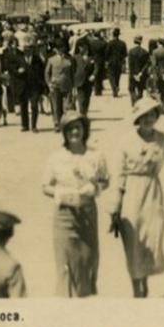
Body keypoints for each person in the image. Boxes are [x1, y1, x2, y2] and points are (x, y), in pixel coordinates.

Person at [42, 111, 110, 297]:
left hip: (87, 213)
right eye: (70, 128)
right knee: (65, 262)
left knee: (88, 259)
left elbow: (105, 180)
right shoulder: (55, 157)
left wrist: (94, 187)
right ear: (64, 132)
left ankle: (85, 302)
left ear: (84, 130)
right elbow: (45, 186)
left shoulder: (96, 155)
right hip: (64, 215)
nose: (74, 132)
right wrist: (60, 193)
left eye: (78, 127)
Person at [109, 97, 164, 298]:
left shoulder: (163, 139)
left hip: (153, 191)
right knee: (134, 239)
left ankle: (145, 280)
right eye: (144, 116)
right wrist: (116, 204)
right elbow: (118, 173)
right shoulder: (126, 141)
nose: (148, 119)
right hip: (132, 192)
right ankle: (137, 287)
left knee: (153, 235)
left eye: (152, 114)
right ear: (137, 118)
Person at [15, 44, 46, 133]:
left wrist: (42, 85)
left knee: (34, 106)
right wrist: (18, 71)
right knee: (23, 106)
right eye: (26, 50)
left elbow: (42, 72)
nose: (28, 52)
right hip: (23, 85)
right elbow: (13, 70)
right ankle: (25, 125)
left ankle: (34, 126)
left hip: (34, 86)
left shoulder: (37, 59)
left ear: (32, 50)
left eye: (29, 50)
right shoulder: (19, 59)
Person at [46, 44, 75, 131]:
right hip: (55, 86)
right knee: (56, 106)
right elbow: (47, 73)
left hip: (67, 85)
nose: (60, 50)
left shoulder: (70, 59)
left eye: (61, 48)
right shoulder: (51, 60)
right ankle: (57, 123)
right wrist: (49, 84)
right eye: (58, 49)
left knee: (68, 106)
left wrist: (73, 86)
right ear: (55, 49)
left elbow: (73, 72)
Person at [73, 41, 96, 117]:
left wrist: (94, 75)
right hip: (79, 81)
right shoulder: (75, 57)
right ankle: (82, 114)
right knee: (81, 99)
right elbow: (72, 69)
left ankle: (84, 112)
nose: (83, 49)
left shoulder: (91, 57)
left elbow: (96, 67)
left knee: (87, 98)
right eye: (81, 47)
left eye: (85, 47)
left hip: (89, 81)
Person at [127, 35, 151, 105]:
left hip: (133, 74)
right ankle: (138, 101)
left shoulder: (131, 51)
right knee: (140, 90)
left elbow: (130, 64)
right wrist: (140, 73)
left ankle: (134, 102)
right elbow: (146, 64)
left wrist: (134, 74)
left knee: (131, 89)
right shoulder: (145, 52)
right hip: (142, 75)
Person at [106, 28, 128, 98]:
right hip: (119, 62)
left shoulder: (110, 43)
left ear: (113, 34)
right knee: (117, 76)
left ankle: (114, 88)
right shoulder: (123, 43)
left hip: (111, 62)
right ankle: (117, 86)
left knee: (111, 76)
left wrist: (107, 60)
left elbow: (107, 53)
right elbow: (125, 54)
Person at [89, 31, 107, 96]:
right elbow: (106, 53)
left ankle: (96, 90)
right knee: (100, 75)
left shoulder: (90, 43)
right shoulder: (103, 43)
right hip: (101, 60)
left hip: (93, 59)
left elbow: (89, 52)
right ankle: (99, 89)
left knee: (94, 74)